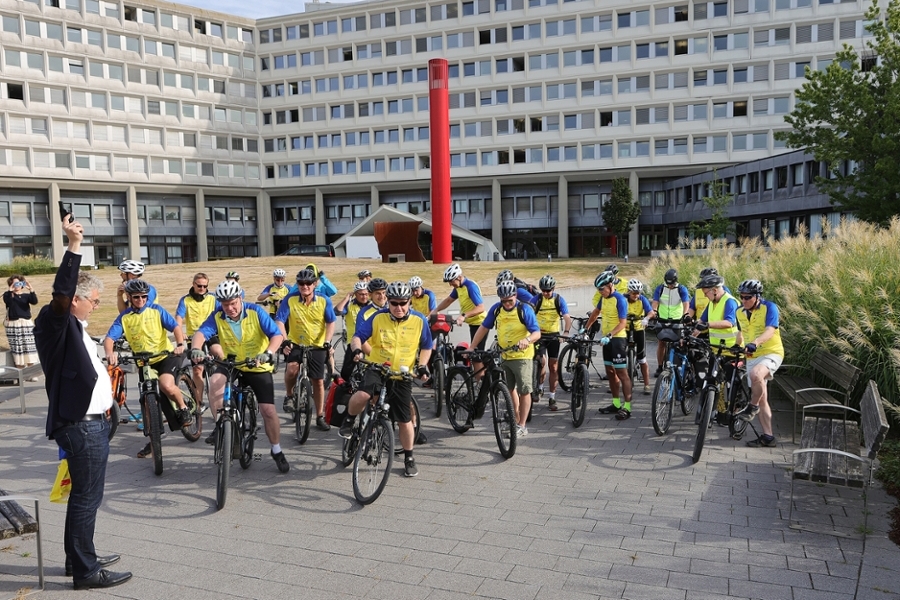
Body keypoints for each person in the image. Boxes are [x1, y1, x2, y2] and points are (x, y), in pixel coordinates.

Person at [34, 214, 132, 590]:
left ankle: (78, 557)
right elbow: (60, 293)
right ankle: (85, 571)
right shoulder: (55, 321)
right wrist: (74, 245)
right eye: (93, 300)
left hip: (92, 422)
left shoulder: (76, 326)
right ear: (75, 298)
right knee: (87, 499)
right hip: (80, 424)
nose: (96, 305)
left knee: (84, 497)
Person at [190, 279, 289, 473]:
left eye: (233, 303)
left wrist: (268, 353)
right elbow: (201, 333)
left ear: (240, 298)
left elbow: (276, 335)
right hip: (231, 362)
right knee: (216, 382)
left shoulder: (256, 312)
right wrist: (195, 349)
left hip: (256, 364)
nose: (230, 308)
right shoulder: (218, 315)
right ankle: (222, 426)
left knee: (268, 410)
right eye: (225, 304)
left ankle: (276, 450)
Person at [341, 281, 432, 478]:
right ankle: (348, 420)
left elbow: (427, 345)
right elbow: (358, 336)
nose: (399, 308)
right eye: (394, 303)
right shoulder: (377, 317)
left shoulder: (419, 320)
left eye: (403, 303)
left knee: (405, 419)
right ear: (388, 302)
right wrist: (356, 348)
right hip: (378, 368)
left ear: (409, 302)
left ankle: (409, 458)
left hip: (402, 374)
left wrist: (423, 365)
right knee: (364, 394)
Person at [104, 279, 191, 457]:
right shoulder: (125, 317)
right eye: (136, 297)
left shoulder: (156, 310)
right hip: (144, 361)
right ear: (129, 297)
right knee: (147, 400)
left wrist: (180, 343)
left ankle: (183, 408)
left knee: (166, 385)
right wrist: (109, 352)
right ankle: (154, 441)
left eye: (144, 296)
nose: (141, 300)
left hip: (166, 355)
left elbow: (175, 327)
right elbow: (109, 338)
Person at [471, 280, 541, 436]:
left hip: (522, 357)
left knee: (524, 390)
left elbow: (537, 333)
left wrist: (527, 340)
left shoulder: (524, 310)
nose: (507, 304)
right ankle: (515, 419)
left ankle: (522, 426)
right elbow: (484, 327)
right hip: (505, 355)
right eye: (504, 301)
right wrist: (472, 346)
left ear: (516, 296)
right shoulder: (497, 309)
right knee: (509, 389)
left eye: (510, 300)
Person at [275, 268, 336, 431]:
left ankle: (320, 416)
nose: (305, 286)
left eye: (308, 283)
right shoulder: (290, 299)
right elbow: (280, 320)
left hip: (317, 345)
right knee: (292, 370)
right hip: (296, 343)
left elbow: (331, 322)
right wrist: (285, 340)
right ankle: (289, 395)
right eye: (301, 283)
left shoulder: (324, 300)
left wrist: (327, 341)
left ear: (315, 284)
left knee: (318, 381)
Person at [733, 279, 784, 448]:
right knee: (763, 398)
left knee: (756, 374)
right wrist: (738, 346)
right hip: (751, 356)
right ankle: (768, 437)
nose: (744, 300)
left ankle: (751, 407)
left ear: (757, 296)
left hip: (771, 352)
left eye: (747, 297)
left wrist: (755, 342)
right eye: (741, 297)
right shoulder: (740, 311)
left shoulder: (770, 307)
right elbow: (741, 332)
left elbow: (770, 330)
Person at [693, 272, 740, 426]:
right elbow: (702, 321)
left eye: (706, 292)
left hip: (732, 350)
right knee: (711, 379)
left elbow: (729, 322)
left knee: (730, 385)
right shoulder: (712, 303)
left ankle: (732, 414)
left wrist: (707, 325)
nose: (705, 296)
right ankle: (711, 414)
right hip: (716, 349)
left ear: (714, 290)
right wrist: (691, 331)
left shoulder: (729, 302)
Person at [586, 270, 634, 420]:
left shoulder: (619, 299)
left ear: (610, 285)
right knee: (611, 373)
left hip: (617, 340)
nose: (600, 292)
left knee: (622, 374)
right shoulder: (604, 298)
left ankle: (627, 407)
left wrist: (609, 335)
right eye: (598, 290)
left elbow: (623, 323)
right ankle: (616, 403)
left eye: (601, 289)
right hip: (607, 341)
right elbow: (595, 313)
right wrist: (585, 328)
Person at [529, 275, 573, 411]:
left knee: (553, 367)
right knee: (541, 362)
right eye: (543, 290)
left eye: (548, 290)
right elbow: (527, 312)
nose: (546, 293)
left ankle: (552, 397)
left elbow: (567, 317)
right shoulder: (536, 299)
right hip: (540, 335)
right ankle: (540, 388)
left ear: (553, 289)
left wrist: (565, 332)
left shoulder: (559, 300)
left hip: (554, 335)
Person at [174, 273, 219, 405]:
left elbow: (222, 314)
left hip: (211, 334)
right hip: (193, 338)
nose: (202, 288)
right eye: (199, 286)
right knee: (197, 370)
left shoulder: (213, 298)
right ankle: (198, 403)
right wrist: (181, 333)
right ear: (193, 284)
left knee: (219, 353)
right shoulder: (185, 300)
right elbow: (179, 318)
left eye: (205, 286)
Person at [431, 263, 486, 347]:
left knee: (476, 354)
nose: (450, 284)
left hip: (480, 323)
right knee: (473, 353)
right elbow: (449, 300)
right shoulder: (458, 287)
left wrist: (463, 316)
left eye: (451, 281)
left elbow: (481, 307)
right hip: (472, 322)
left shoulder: (470, 286)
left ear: (459, 277)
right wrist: (436, 310)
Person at [649, 268, 690, 376]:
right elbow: (655, 302)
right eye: (668, 284)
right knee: (661, 342)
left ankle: (677, 366)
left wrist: (685, 314)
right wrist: (654, 312)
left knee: (678, 343)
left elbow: (686, 303)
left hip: (677, 319)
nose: (670, 286)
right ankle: (659, 366)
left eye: (672, 284)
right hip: (662, 318)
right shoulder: (660, 288)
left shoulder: (681, 289)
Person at [334, 281, 370, 381]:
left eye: (366, 294)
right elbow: (336, 311)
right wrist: (347, 298)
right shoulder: (349, 305)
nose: (364, 297)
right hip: (354, 342)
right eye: (361, 294)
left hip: (370, 343)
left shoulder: (372, 306)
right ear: (355, 294)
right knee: (345, 373)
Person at [3, 274, 39, 371]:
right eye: (14, 283)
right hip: (13, 324)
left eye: (19, 283)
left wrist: (31, 289)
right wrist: (10, 291)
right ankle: (20, 370)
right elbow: (8, 302)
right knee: (17, 347)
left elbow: (34, 301)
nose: (17, 285)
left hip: (26, 323)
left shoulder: (26, 296)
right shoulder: (8, 295)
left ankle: (31, 371)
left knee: (29, 346)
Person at [625, 279, 653, 395]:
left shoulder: (642, 300)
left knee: (642, 358)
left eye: (638, 293)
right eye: (633, 293)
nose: (636, 295)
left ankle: (646, 384)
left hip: (639, 328)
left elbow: (651, 312)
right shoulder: (622, 299)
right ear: (628, 291)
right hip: (625, 329)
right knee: (619, 357)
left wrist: (646, 318)